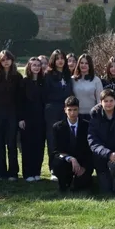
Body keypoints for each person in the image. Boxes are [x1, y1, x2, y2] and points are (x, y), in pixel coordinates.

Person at [0, 50, 24, 181]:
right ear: (0, 61)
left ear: (12, 60)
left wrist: (20, 117)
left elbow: (20, 99)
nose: (6, 62)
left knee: (11, 143)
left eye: (8, 59)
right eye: (3, 60)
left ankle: (13, 172)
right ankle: (0, 172)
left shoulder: (17, 77)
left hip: (12, 114)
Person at [50, 96, 94, 192]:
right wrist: (70, 158)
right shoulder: (57, 127)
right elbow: (55, 151)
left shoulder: (87, 125)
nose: (72, 113)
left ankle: (78, 181)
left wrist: (84, 167)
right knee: (58, 163)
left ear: (79, 110)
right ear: (65, 110)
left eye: (75, 110)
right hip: (66, 161)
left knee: (83, 184)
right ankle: (64, 182)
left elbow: (89, 149)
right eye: (69, 110)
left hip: (82, 162)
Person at [43, 50, 73, 179]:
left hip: (66, 110)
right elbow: (44, 94)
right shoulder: (48, 75)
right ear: (53, 61)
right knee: (53, 140)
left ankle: (66, 168)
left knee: (66, 139)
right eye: (57, 58)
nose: (60, 61)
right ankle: (54, 169)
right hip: (53, 110)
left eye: (62, 58)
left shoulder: (67, 75)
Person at [18, 56, 47, 181]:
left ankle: (36, 172)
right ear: (29, 67)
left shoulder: (43, 82)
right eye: (33, 65)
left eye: (38, 65)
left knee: (39, 146)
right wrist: (20, 118)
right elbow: (19, 102)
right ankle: (28, 173)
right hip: (27, 119)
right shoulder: (24, 82)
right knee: (27, 147)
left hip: (40, 118)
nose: (36, 67)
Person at [72, 54, 104, 124]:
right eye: (82, 63)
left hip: (92, 115)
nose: (84, 65)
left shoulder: (96, 80)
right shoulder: (73, 80)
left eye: (86, 63)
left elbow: (100, 100)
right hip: (76, 115)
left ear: (90, 65)